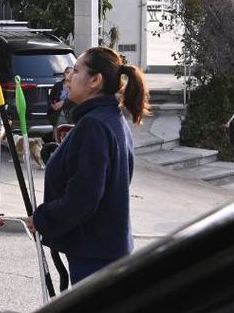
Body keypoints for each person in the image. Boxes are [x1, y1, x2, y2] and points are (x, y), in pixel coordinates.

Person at [28, 46, 149, 286]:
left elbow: (84, 197)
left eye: (76, 70)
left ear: (95, 80)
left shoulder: (94, 125)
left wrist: (43, 219)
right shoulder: (109, 118)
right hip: (102, 250)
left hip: (94, 256)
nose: (69, 76)